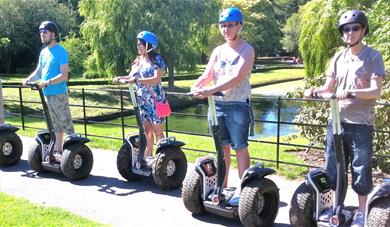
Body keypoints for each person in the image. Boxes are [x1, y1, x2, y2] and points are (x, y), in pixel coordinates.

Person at [304, 10, 386, 227]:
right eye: (346, 29)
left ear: (363, 30)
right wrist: (313, 91)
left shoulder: (373, 56)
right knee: (333, 167)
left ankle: (361, 212)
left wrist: (352, 92)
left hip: (361, 123)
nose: (350, 32)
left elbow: (376, 90)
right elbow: (328, 88)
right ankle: (335, 208)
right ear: (342, 34)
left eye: (355, 28)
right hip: (337, 121)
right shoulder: (338, 57)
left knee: (360, 168)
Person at [190, 7, 255, 205]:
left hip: (237, 105)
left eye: (230, 25)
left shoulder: (247, 49)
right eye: (222, 25)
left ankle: (245, 193)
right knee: (221, 148)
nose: (225, 29)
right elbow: (208, 74)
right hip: (217, 104)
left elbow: (236, 78)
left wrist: (209, 90)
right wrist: (197, 85)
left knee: (240, 147)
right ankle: (223, 188)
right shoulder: (218, 51)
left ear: (239, 26)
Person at [23, 21, 75, 163]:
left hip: (59, 93)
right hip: (47, 93)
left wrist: (48, 82)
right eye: (40, 32)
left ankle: (74, 151)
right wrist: (28, 79)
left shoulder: (61, 51)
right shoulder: (43, 52)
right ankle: (58, 151)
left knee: (65, 123)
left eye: (44, 32)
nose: (42, 35)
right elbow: (39, 71)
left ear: (53, 34)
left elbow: (64, 75)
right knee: (54, 124)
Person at [113, 31, 168, 160]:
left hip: (155, 100)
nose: (138, 47)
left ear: (149, 45)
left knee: (158, 130)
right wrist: (120, 78)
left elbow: (157, 78)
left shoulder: (157, 59)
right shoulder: (138, 60)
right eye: (137, 44)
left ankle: (163, 157)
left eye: (141, 44)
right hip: (142, 100)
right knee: (147, 130)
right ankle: (148, 157)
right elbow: (131, 76)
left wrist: (140, 80)